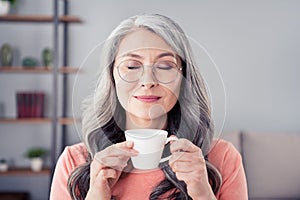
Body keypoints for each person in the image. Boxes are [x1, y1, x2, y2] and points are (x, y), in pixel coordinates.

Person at [50, 14, 247, 200]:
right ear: (112, 76)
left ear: (184, 78)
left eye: (165, 66)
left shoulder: (222, 158)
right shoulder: (74, 162)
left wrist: (203, 194)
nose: (148, 81)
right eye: (132, 66)